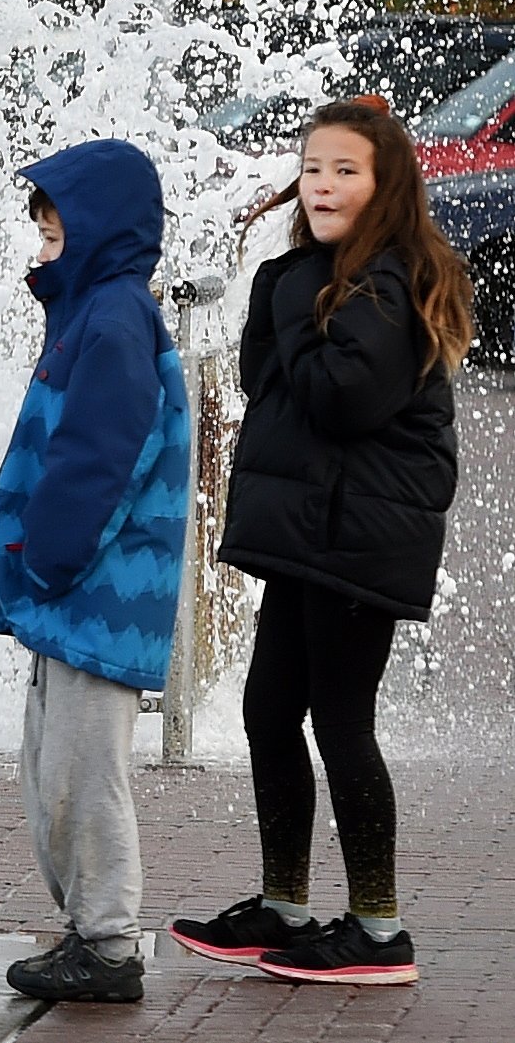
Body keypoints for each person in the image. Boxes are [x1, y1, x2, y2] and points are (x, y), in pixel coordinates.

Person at [169, 98, 465, 987]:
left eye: (346, 169)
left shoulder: (389, 281)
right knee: (268, 709)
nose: (324, 183)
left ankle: (378, 930)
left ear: (384, 185)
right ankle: (284, 905)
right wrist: (286, 291)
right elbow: (267, 381)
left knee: (339, 719)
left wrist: (291, 294)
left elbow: (338, 396)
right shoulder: (315, 274)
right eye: (312, 168)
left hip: (359, 539)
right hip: (316, 532)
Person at [0, 137, 194, 1005]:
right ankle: (89, 932)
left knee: (81, 776)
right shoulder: (92, 313)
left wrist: (43, 557)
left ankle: (105, 944)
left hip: (96, 591)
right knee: (50, 771)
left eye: (54, 238)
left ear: (98, 233)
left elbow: (100, 456)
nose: (41, 253)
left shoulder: (111, 318)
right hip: (75, 594)